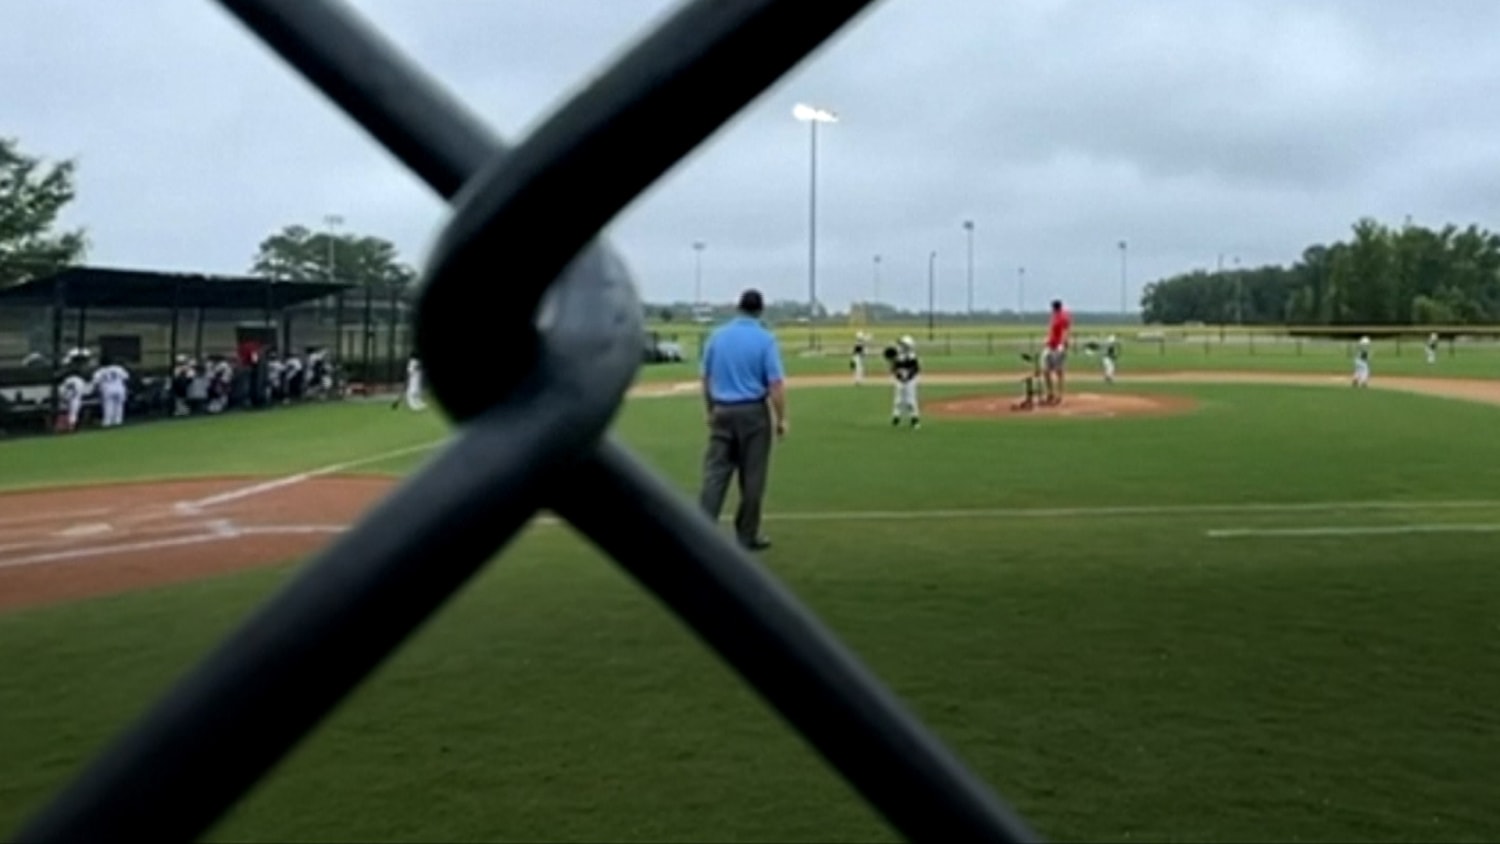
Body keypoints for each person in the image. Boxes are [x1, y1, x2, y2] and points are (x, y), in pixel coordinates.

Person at [698, 289, 787, 551]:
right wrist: (782, 418)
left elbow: (706, 378)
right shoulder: (765, 340)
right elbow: (775, 384)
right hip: (753, 413)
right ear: (760, 310)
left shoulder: (717, 336)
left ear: (738, 308)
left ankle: (701, 532)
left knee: (715, 474)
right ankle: (747, 535)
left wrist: (711, 408)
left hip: (723, 411)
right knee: (753, 478)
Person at [1043, 299, 1071, 405]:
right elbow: (1051, 331)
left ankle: (1060, 395)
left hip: (1059, 347)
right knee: (1045, 371)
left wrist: (1063, 344)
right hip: (1050, 346)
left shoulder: (1063, 317)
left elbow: (1065, 331)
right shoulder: (1053, 317)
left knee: (1059, 371)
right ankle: (1050, 394)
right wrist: (1047, 340)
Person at [890, 335, 921, 428]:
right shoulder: (898, 355)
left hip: (910, 380)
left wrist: (908, 376)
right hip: (899, 380)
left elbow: (916, 369)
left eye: (903, 344)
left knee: (910, 400)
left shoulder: (912, 356)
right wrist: (899, 375)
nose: (901, 346)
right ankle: (896, 417)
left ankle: (914, 419)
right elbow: (894, 367)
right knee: (898, 399)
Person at [90, 358, 130, 427]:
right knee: (119, 406)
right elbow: (126, 377)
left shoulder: (100, 371)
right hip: (119, 388)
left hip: (107, 389)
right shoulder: (118, 368)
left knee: (108, 406)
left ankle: (107, 422)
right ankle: (118, 421)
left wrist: (97, 390)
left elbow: (95, 381)